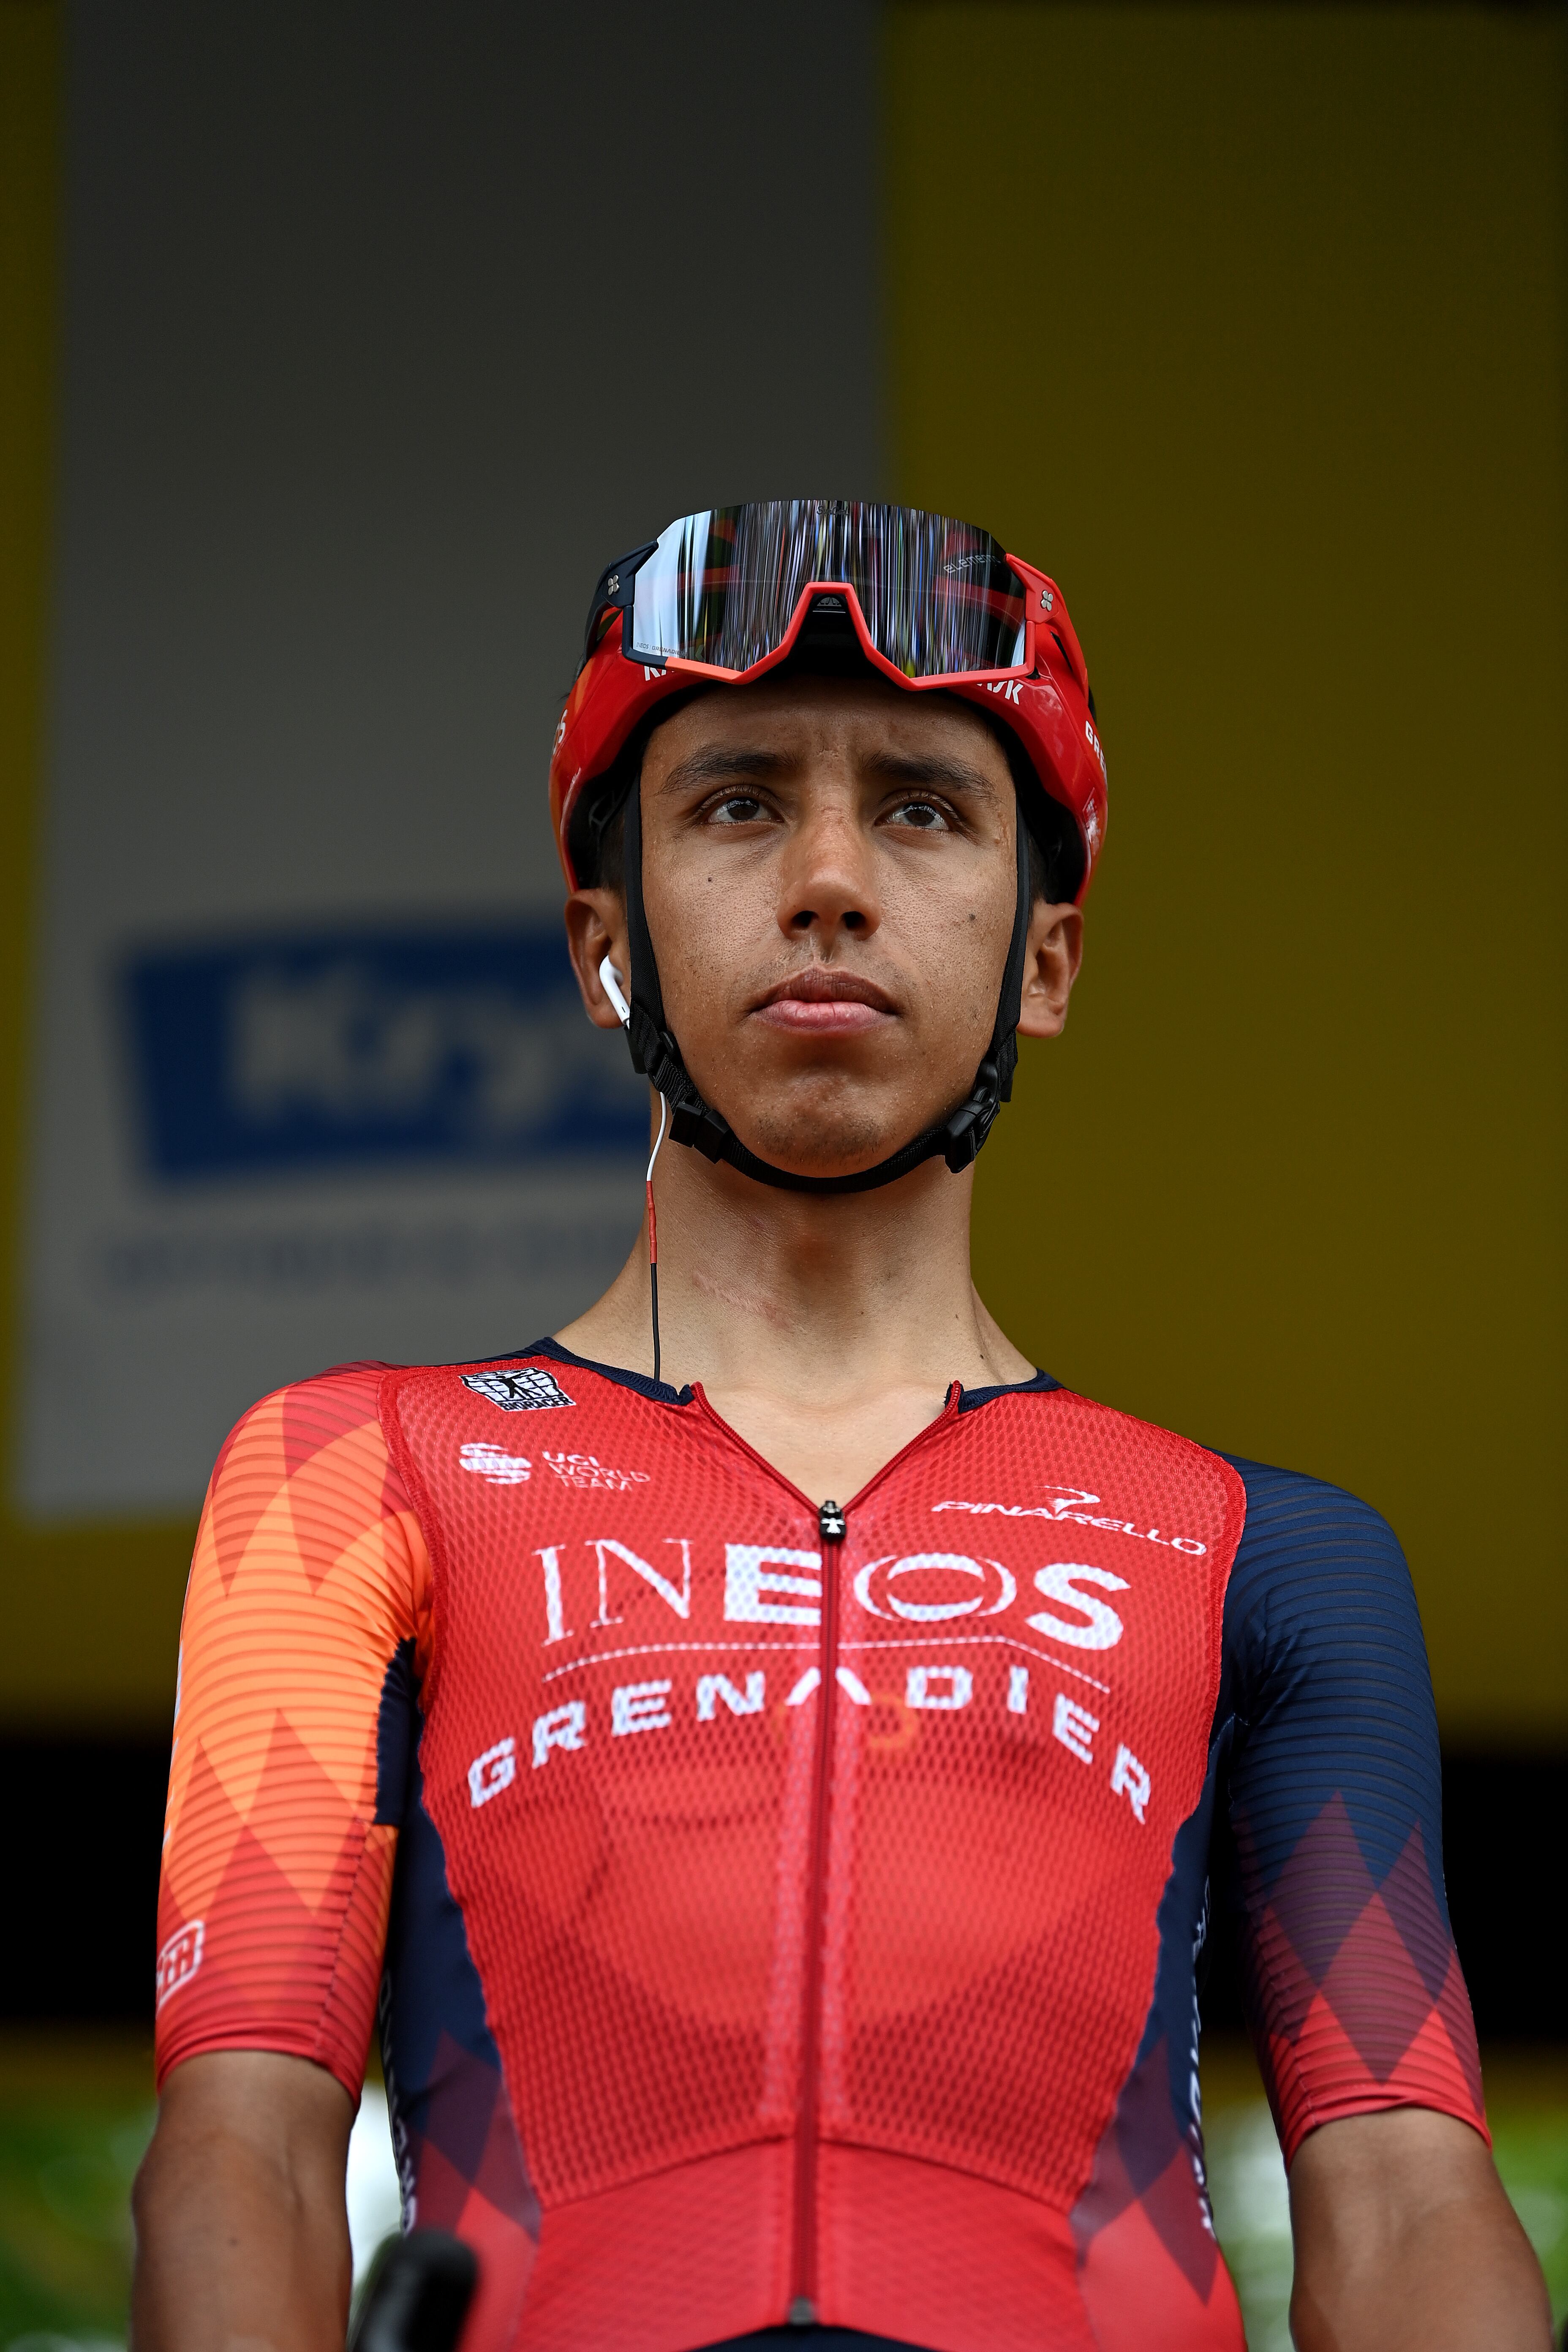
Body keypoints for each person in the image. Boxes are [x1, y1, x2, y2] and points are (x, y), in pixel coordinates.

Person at [131, 503, 1549, 2352]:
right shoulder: (354, 1470)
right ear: (599, 945)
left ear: (1045, 960)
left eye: (921, 806)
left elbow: (1406, 2190)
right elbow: (237, 2138)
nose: (826, 878)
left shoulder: (1262, 1552)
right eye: (731, 803)